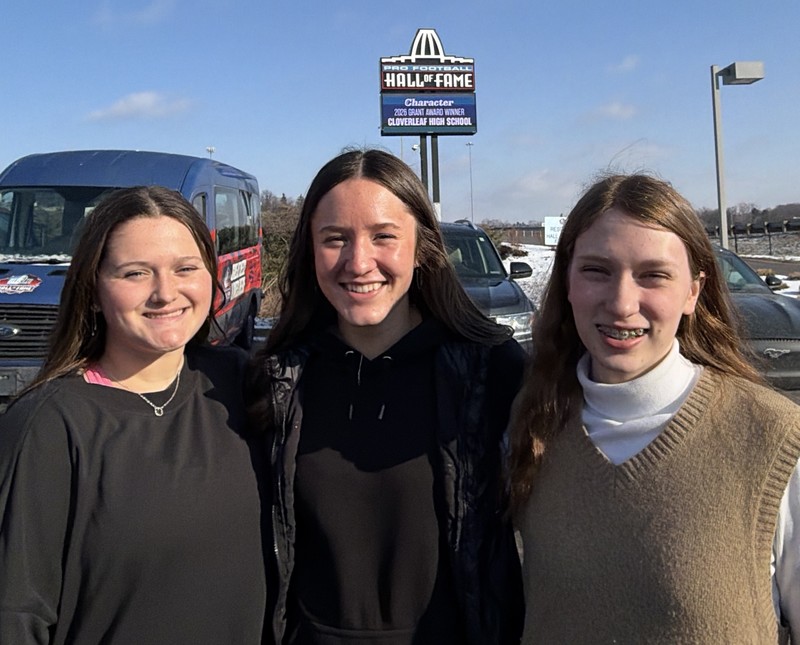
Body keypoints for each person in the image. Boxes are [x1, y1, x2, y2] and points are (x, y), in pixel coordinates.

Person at [247, 148, 524, 644]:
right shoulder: (277, 379)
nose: (359, 262)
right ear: (310, 252)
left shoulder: (491, 374)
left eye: (383, 237)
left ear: (421, 247)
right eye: (335, 239)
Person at [508, 173, 800, 643]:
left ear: (693, 292)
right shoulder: (528, 423)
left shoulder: (773, 438)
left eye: (653, 275)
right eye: (597, 270)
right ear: (566, 282)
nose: (623, 303)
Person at [0, 186, 266, 643]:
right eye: (135, 273)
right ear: (93, 290)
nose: (166, 293)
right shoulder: (48, 424)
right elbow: (17, 613)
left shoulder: (238, 384)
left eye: (185, 268)